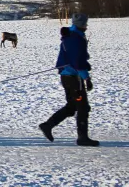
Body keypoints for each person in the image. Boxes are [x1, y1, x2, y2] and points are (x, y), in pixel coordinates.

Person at [39, 12, 100, 147]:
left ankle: (48, 125)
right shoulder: (75, 38)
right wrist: (87, 78)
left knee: (73, 106)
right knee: (82, 107)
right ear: (80, 25)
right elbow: (77, 62)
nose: (86, 26)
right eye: (84, 24)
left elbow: (78, 58)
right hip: (72, 78)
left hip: (69, 76)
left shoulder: (74, 36)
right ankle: (82, 138)